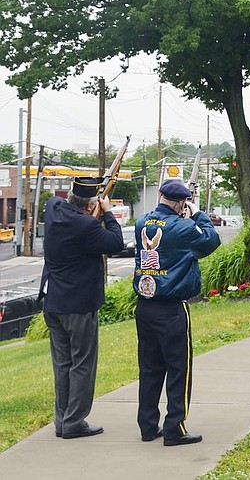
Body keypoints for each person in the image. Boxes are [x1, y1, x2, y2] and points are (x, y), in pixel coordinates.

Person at [133, 179, 221, 446]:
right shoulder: (183, 228)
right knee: (178, 368)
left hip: (145, 305)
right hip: (171, 307)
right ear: (182, 203)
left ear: (160, 195)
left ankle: (148, 425)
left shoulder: (141, 223)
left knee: (149, 368)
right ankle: (174, 427)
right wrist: (199, 214)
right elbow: (211, 240)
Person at [40, 176, 124, 439]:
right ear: (90, 207)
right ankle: (74, 422)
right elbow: (115, 243)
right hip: (78, 306)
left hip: (54, 301)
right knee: (83, 365)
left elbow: (59, 200)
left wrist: (92, 205)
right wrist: (108, 213)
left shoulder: (54, 209)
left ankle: (62, 420)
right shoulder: (86, 226)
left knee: (62, 364)